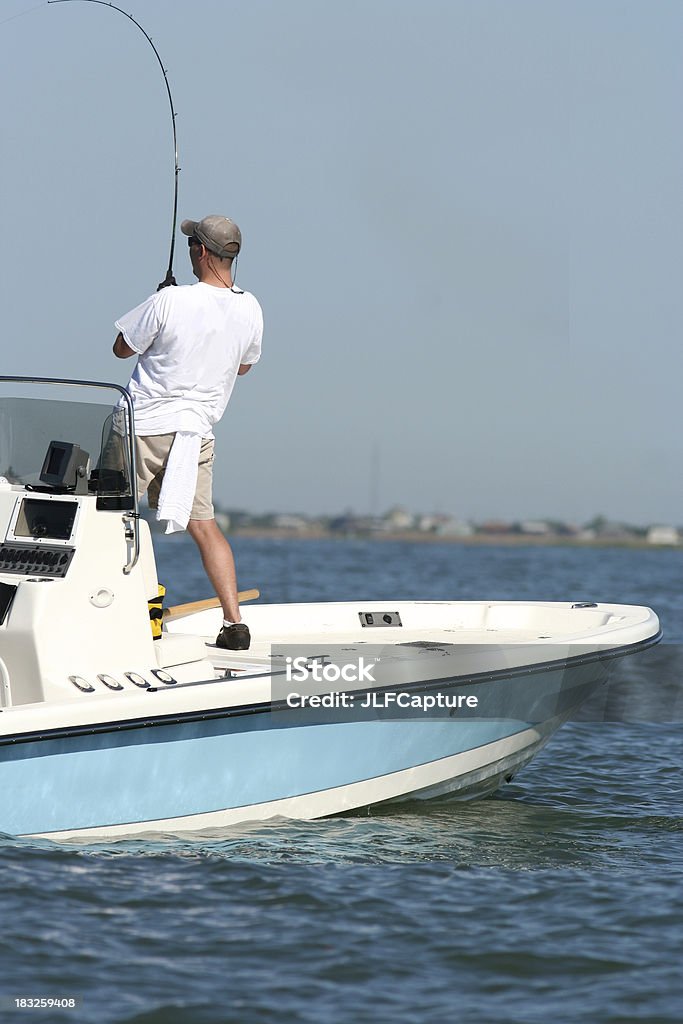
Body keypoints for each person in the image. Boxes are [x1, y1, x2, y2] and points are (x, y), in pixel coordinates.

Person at [112, 214, 263, 651]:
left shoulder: (170, 301)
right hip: (196, 433)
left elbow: (122, 348)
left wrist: (162, 305)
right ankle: (234, 623)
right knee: (205, 525)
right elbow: (244, 365)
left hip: (142, 428)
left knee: (106, 520)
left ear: (200, 251)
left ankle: (102, 609)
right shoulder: (250, 307)